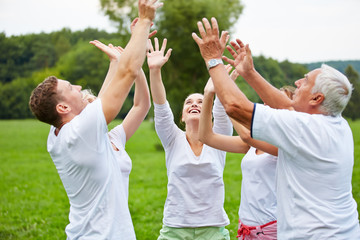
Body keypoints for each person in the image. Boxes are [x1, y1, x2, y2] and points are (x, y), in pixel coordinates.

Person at [192, 17, 360, 239]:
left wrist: (214, 60)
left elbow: (235, 107)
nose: (298, 82)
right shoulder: (336, 123)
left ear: (316, 98)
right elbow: (286, 105)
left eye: (305, 81)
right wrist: (250, 73)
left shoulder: (305, 129)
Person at [28, 1, 162, 239]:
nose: (78, 87)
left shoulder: (61, 134)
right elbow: (127, 73)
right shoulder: (80, 132)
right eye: (71, 87)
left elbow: (101, 102)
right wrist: (143, 22)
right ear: (62, 106)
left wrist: (118, 61)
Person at [147, 37, 232, 240]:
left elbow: (222, 107)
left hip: (213, 230)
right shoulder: (172, 139)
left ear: (208, 112)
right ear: (183, 117)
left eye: (201, 102)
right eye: (188, 102)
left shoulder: (219, 137)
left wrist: (216, 68)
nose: (194, 104)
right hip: (175, 229)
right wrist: (155, 70)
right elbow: (160, 106)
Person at [199, 71, 294, 240]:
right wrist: (209, 94)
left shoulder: (286, 144)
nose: (266, 101)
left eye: (274, 99)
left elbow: (246, 134)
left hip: (272, 228)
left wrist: (224, 92)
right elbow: (206, 136)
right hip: (246, 227)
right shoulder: (252, 145)